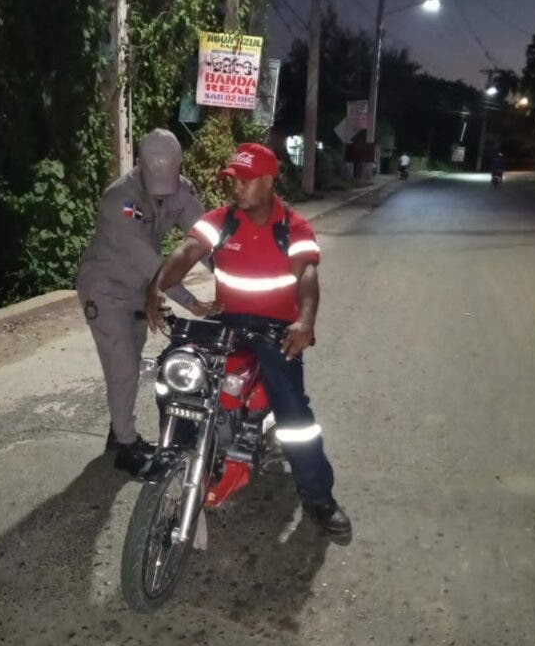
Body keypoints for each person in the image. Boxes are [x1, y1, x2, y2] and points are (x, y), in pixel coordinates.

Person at [145, 142, 352, 542]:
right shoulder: (220, 221)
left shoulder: (292, 227)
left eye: (244, 180)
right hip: (229, 321)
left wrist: (305, 320)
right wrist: (157, 286)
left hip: (276, 329)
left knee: (294, 416)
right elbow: (188, 251)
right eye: (231, 180)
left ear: (268, 181)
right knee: (174, 373)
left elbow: (307, 276)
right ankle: (185, 459)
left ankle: (318, 496)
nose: (235, 187)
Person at [76, 129, 216, 476]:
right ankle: (126, 446)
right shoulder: (119, 201)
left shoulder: (181, 191)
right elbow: (154, 266)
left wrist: (231, 274)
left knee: (129, 362)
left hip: (139, 289)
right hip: (105, 289)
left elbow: (204, 237)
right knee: (122, 364)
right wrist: (191, 302)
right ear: (139, 166)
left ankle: (118, 431)